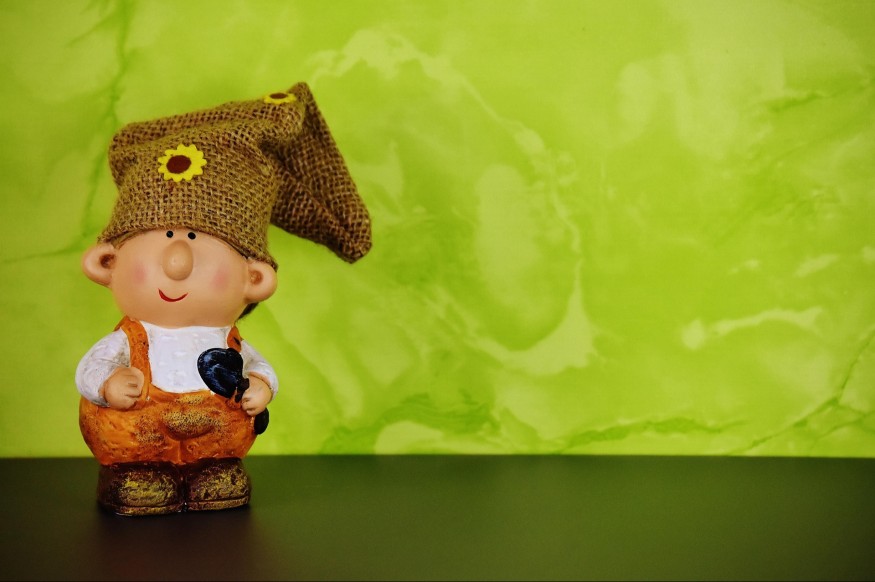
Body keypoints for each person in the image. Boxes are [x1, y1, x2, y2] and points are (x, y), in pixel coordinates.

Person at [76, 83, 371, 515]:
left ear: (255, 279)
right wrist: (107, 383)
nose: (177, 262)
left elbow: (258, 367)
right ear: (106, 264)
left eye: (198, 239)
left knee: (220, 457)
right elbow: (91, 368)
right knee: (129, 447)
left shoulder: (229, 340)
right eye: (164, 237)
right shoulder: (127, 339)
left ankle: (214, 472)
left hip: (212, 437)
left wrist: (262, 386)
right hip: (141, 436)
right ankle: (137, 475)